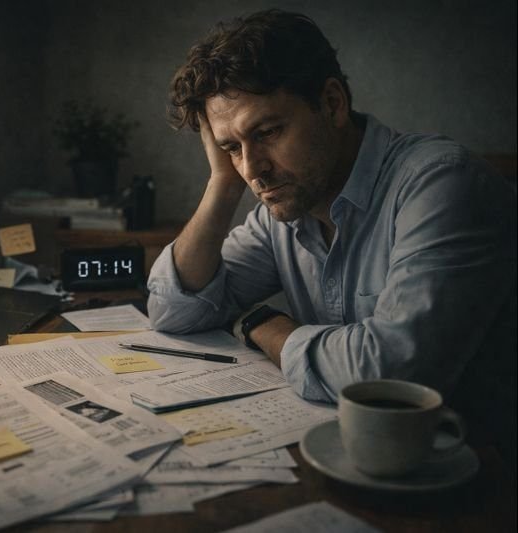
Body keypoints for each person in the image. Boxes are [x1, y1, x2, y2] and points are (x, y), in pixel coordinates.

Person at [147, 9, 516, 456]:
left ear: (333, 103)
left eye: (267, 132)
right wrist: (221, 184)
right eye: (231, 149)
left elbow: (392, 373)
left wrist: (268, 326)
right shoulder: (282, 207)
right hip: (362, 459)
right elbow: (172, 310)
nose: (253, 169)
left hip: (479, 473)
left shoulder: (440, 183)